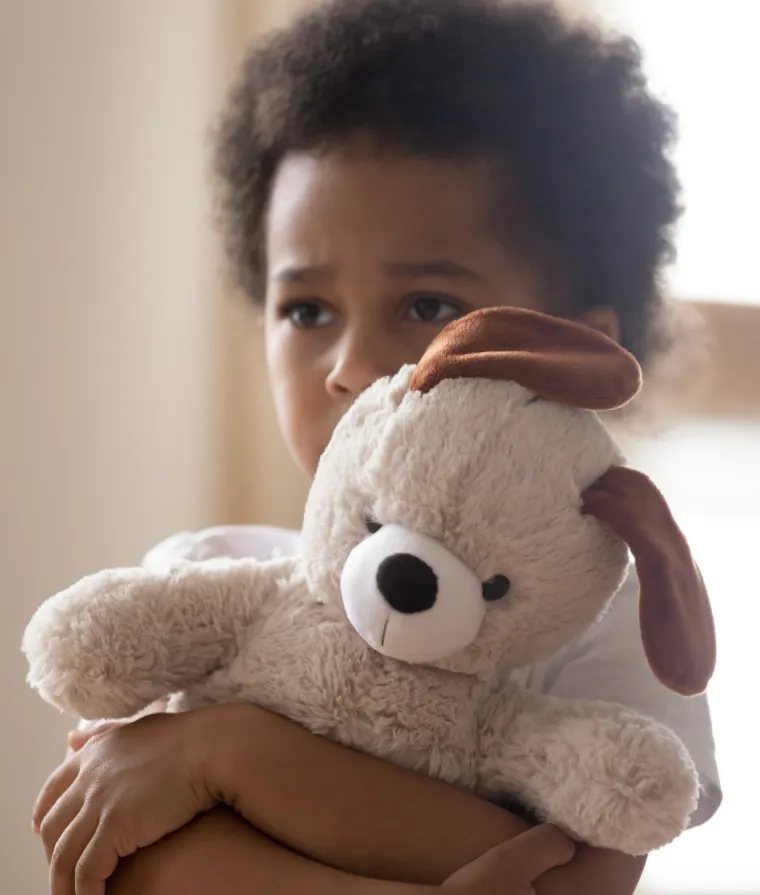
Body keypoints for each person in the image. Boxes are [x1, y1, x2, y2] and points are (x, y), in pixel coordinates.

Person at [33, 1, 721, 893]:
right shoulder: (207, 579)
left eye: (429, 305)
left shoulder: (604, 623)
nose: (351, 365)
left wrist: (230, 752)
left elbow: (576, 879)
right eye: (307, 310)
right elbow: (123, 858)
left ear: (571, 357)